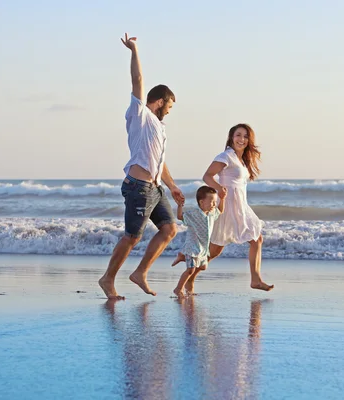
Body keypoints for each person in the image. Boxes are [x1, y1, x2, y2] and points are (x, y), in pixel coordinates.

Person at [98, 33, 185, 300]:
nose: (169, 110)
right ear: (159, 101)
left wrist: (172, 187)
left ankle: (139, 273)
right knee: (132, 237)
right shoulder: (141, 115)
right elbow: (137, 80)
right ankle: (107, 279)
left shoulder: (159, 127)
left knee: (170, 229)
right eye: (168, 106)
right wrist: (134, 50)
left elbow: (159, 160)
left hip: (155, 188)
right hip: (138, 187)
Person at [177, 123, 274, 293]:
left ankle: (256, 279)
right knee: (214, 251)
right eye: (238, 135)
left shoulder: (242, 161)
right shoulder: (226, 156)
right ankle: (189, 279)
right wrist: (218, 188)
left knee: (257, 239)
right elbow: (207, 175)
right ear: (231, 137)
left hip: (240, 206)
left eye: (245, 136)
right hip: (227, 206)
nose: (241, 139)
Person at [172, 186, 225, 298]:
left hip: (202, 248)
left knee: (203, 267)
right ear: (201, 202)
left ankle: (182, 256)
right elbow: (180, 216)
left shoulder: (212, 213)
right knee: (190, 270)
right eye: (212, 202)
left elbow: (220, 210)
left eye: (215, 202)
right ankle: (178, 289)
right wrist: (180, 205)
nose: (214, 205)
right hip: (192, 246)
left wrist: (222, 198)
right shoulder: (194, 214)